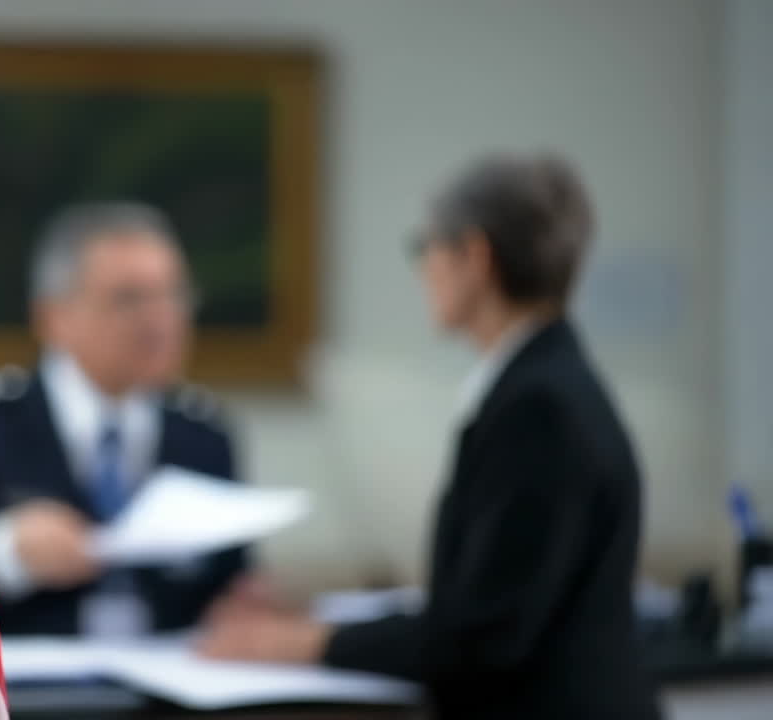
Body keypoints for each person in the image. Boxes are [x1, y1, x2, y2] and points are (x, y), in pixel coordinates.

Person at [201, 152, 662, 719]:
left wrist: (300, 643)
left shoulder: (537, 408)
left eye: (427, 249)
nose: (425, 271)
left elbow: (482, 637)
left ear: (474, 256)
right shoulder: (546, 385)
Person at [0, 203, 260, 637]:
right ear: (54, 318)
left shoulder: (205, 436)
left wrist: (244, 605)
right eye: (129, 299)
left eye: (174, 294)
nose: (161, 320)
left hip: (170, 694)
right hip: (27, 694)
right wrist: (2, 553)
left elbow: (230, 582)